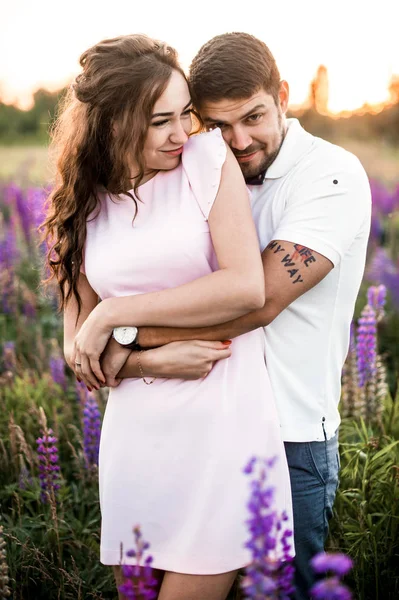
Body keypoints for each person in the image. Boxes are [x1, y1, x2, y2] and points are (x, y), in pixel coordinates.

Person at [103, 33, 372, 599]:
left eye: (253, 116)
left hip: (291, 436)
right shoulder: (198, 170)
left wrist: (122, 333)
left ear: (282, 95)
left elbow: (258, 301)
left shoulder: (329, 176)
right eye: (218, 125)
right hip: (200, 433)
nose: (239, 140)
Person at [43, 34, 293, 600]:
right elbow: (79, 355)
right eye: (161, 121)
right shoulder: (78, 204)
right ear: (111, 124)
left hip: (223, 428)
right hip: (137, 438)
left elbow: (244, 287)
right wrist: (151, 361)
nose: (183, 132)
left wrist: (114, 312)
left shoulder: (206, 161)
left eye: (186, 113)